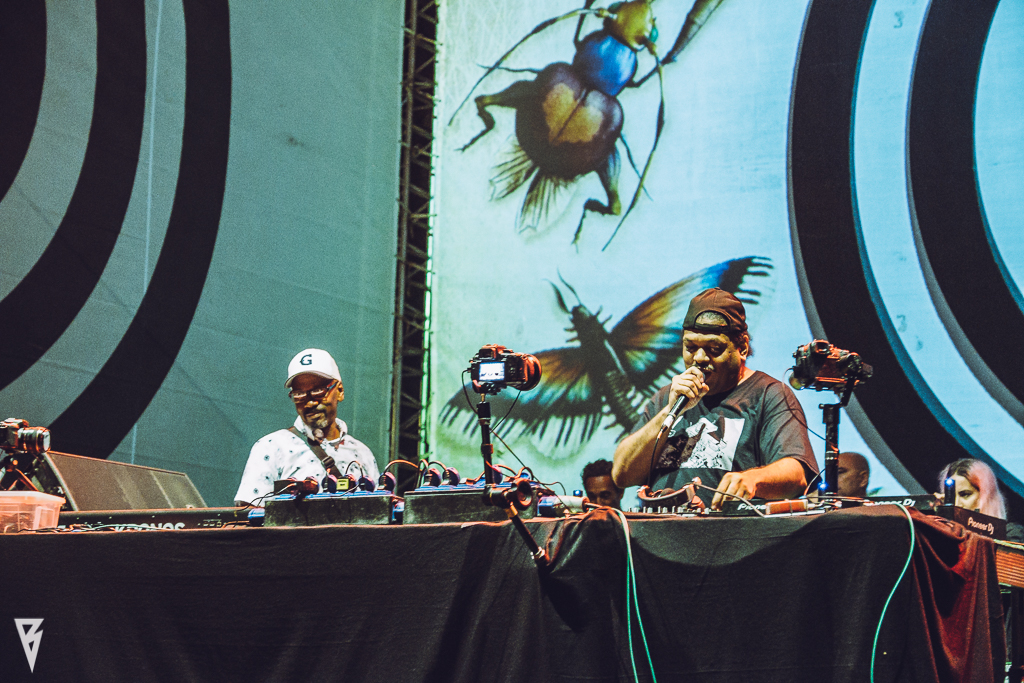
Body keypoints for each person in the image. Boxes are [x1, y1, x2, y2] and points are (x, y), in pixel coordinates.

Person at [612, 288, 818, 509]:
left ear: (742, 347)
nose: (699, 358)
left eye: (714, 348)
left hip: (726, 528)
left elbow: (797, 474)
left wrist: (753, 480)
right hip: (662, 528)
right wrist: (668, 411)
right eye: (690, 347)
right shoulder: (668, 397)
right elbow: (622, 475)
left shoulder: (769, 394)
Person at [234, 348, 379, 505]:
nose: (310, 402)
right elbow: (248, 512)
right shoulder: (271, 447)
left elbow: (379, 513)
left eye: (318, 391)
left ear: (340, 391)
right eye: (299, 394)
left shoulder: (362, 454)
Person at [938, 458, 1006, 519]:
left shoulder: (1008, 529)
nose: (956, 504)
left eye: (965, 495)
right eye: (951, 497)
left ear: (985, 496)